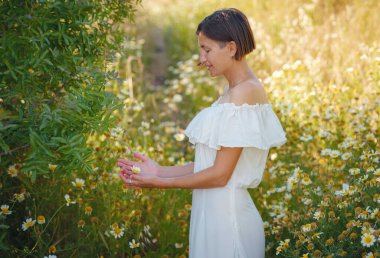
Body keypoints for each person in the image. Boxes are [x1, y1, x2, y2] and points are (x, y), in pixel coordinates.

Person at [117, 8, 286, 258]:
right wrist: (159, 170)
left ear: (231, 47)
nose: (201, 58)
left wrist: (160, 183)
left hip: (229, 224)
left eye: (207, 49)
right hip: (214, 218)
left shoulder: (244, 93)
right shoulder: (233, 92)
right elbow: (209, 165)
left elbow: (220, 176)